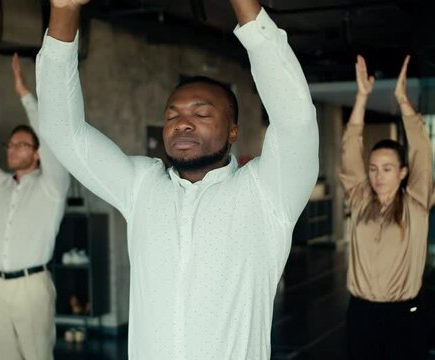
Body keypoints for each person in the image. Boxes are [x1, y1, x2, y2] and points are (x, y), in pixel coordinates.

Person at [36, 0, 319, 358]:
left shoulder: (266, 193)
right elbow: (64, 134)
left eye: (201, 113)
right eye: (172, 116)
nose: (182, 123)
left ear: (233, 131)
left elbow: (295, 120)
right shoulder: (141, 186)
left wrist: (246, 9)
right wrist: (63, 9)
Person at [0, 54, 70, 360]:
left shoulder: (53, 186)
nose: (12, 149)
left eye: (21, 144)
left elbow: (51, 142)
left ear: (36, 154)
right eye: (11, 144)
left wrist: (25, 96)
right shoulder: (1, 185)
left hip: (31, 286)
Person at [340, 55, 435, 360]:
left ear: (403, 172)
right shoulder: (359, 198)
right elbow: (350, 145)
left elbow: (421, 148)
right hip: (361, 313)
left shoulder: (417, 202)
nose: (378, 176)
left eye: (387, 168)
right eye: (373, 168)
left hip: (404, 316)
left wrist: (403, 101)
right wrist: (361, 97)